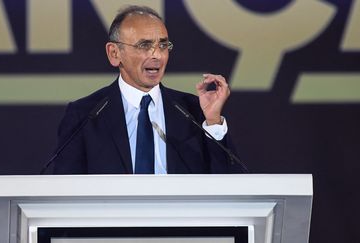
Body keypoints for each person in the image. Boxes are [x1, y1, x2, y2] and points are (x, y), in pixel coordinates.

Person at [52, 5, 245, 174]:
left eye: (162, 45)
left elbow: (232, 185)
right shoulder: (84, 115)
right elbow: (65, 192)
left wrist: (213, 122)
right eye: (144, 45)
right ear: (114, 53)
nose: (157, 56)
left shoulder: (194, 112)